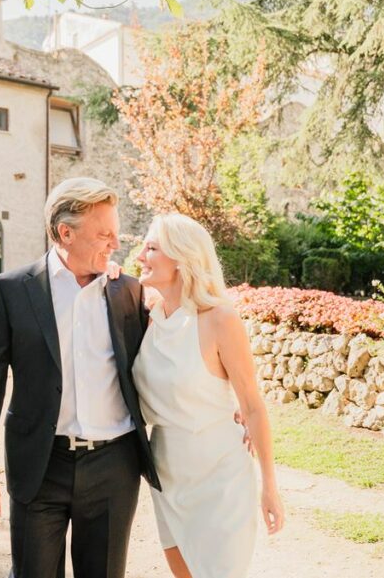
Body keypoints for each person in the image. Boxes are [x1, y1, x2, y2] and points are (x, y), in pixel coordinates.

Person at [0, 177, 159, 578]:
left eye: (115, 234)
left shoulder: (130, 292)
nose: (114, 244)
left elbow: (170, 357)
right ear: (64, 232)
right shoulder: (12, 290)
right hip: (39, 464)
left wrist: (230, 402)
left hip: (113, 466)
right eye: (104, 234)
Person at [131, 213, 285, 578]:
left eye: (151, 247)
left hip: (221, 476)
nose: (139, 256)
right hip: (165, 472)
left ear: (182, 257)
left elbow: (252, 406)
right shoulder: (147, 316)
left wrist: (269, 488)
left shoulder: (220, 319)